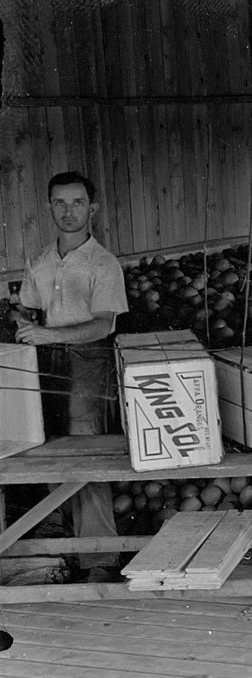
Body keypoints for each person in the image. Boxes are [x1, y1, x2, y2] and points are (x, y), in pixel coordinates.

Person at [17, 171, 128, 581]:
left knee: (87, 455)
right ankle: (70, 552)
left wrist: (48, 333)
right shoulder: (40, 261)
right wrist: (24, 322)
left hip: (88, 362)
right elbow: (29, 309)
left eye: (77, 202)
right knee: (48, 451)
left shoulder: (103, 263)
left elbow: (103, 325)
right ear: (49, 207)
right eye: (59, 203)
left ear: (92, 208)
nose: (68, 211)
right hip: (45, 363)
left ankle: (99, 562)